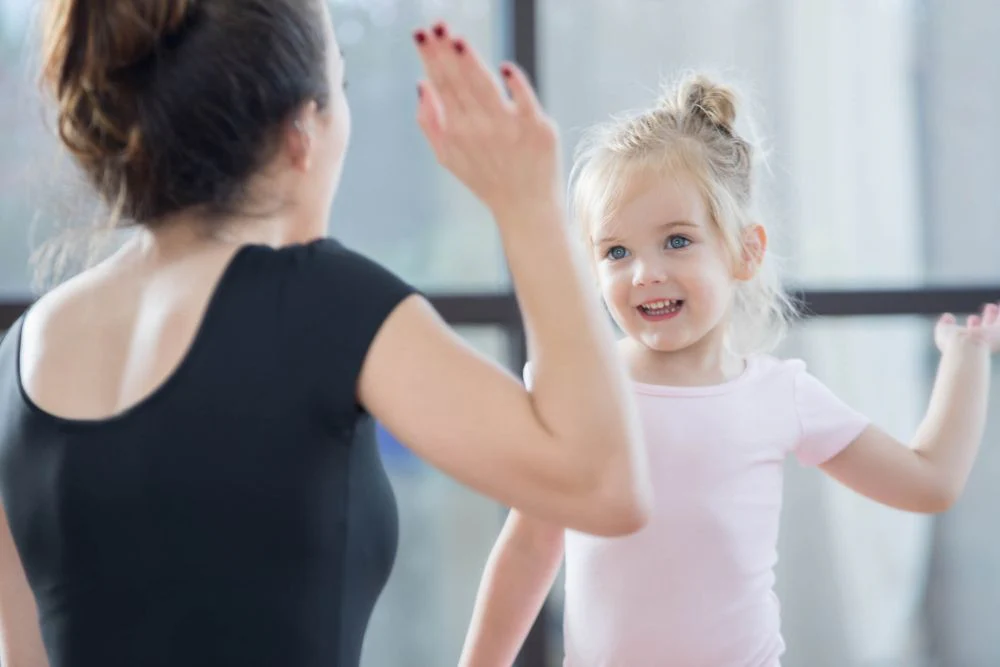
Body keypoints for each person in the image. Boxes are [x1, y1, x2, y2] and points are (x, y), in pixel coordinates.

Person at [0, 2, 653, 666]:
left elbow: (22, 656)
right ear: (302, 131)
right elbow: (605, 485)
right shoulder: (324, 302)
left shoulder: (21, 351)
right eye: (340, 87)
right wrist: (528, 203)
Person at [458, 73, 1000, 667]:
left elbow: (929, 482)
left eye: (677, 241)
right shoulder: (581, 388)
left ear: (746, 252)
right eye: (616, 252)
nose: (644, 273)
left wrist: (967, 357)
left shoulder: (780, 394)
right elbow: (530, 547)